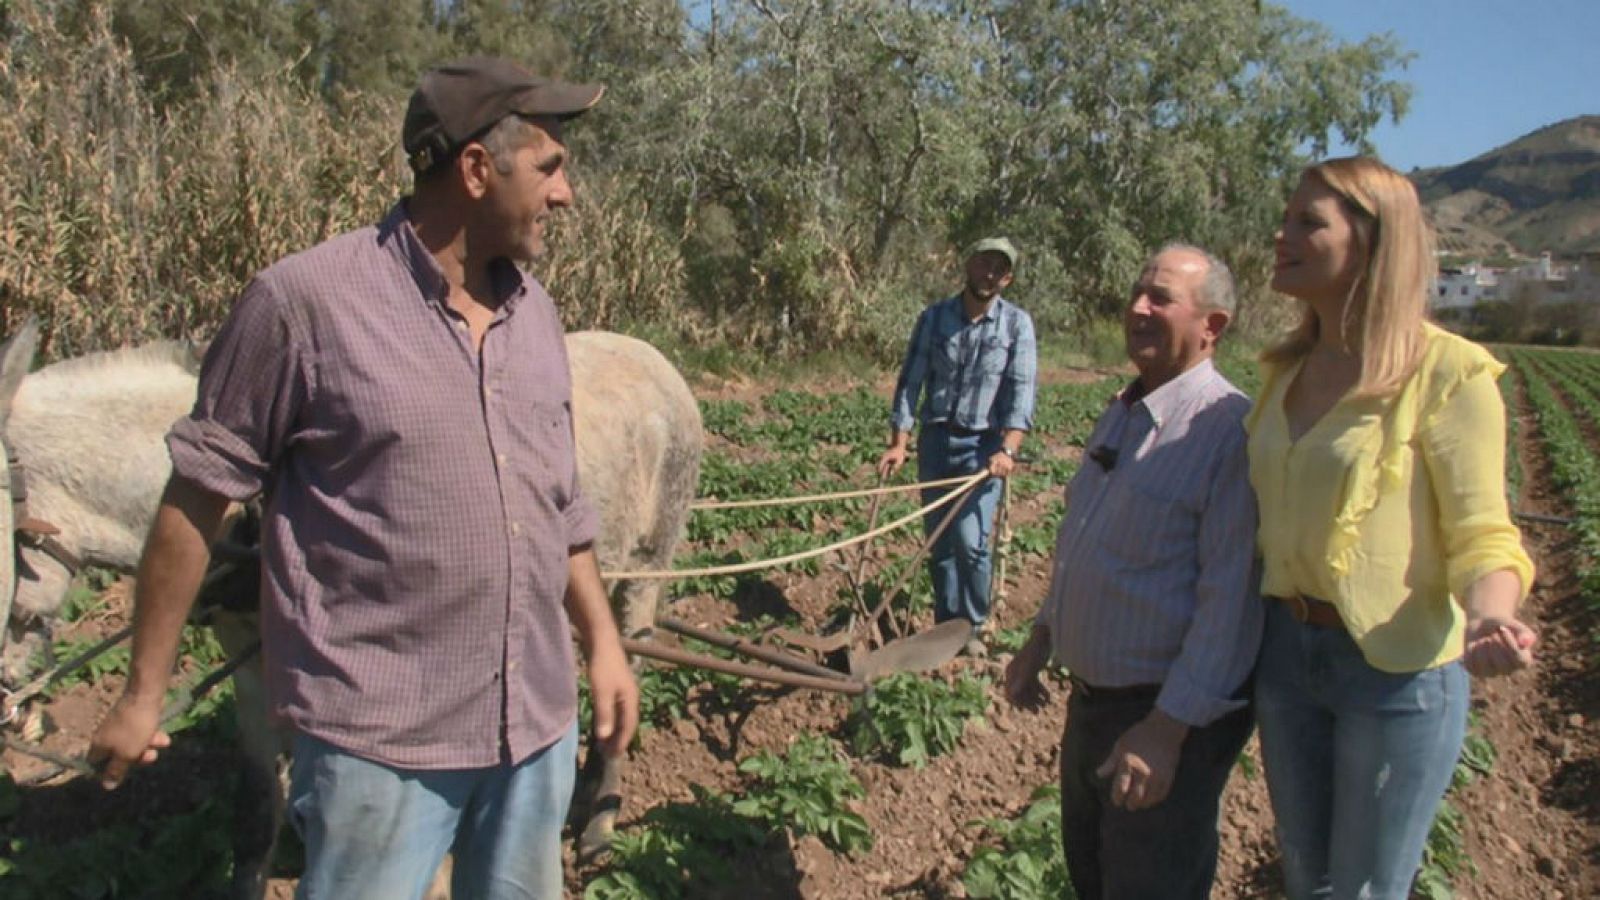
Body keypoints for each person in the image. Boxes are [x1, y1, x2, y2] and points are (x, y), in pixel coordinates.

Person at [88, 57, 639, 899]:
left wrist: (600, 642)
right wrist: (141, 693)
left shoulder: (536, 315)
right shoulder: (302, 305)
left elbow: (557, 504)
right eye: (552, 167)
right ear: (477, 169)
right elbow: (197, 498)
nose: (566, 194)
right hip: (384, 748)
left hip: (532, 731)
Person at [1248, 156, 1537, 900]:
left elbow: (1485, 533)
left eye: (1308, 222)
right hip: (1285, 655)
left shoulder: (1449, 374)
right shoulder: (1282, 370)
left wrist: (1491, 615)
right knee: (1306, 879)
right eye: (1286, 218)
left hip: (1394, 673)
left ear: (1372, 244)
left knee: (1366, 891)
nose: (1282, 234)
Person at [1005, 244, 1261, 900]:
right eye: (1137, 293)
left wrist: (1167, 731)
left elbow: (1229, 606)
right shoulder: (1122, 410)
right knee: (1093, 877)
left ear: (1213, 326)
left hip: (1156, 718)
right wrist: (1041, 639)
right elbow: (1085, 539)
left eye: (1161, 298)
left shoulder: (1226, 431)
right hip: (1093, 706)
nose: (1138, 308)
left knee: (1149, 884)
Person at [876, 238, 1037, 654]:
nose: (988, 273)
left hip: (983, 450)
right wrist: (899, 442)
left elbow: (1021, 393)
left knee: (971, 541)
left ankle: (975, 624)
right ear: (969, 264)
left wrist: (1008, 449)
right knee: (940, 546)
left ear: (1007, 279)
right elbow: (911, 380)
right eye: (983, 262)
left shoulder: (1016, 325)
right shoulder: (934, 318)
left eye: (998, 268)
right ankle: (947, 627)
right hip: (936, 442)